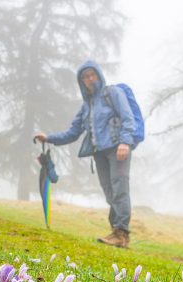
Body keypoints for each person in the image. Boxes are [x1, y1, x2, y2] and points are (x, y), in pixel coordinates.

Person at [34, 60, 135, 248]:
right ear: (82, 82)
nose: (90, 79)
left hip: (118, 149)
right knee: (109, 192)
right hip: (99, 153)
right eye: (85, 77)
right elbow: (73, 132)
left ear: (98, 75)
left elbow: (128, 118)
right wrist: (48, 138)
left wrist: (125, 142)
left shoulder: (113, 93)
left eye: (92, 74)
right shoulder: (86, 106)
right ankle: (116, 232)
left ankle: (122, 233)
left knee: (120, 189)